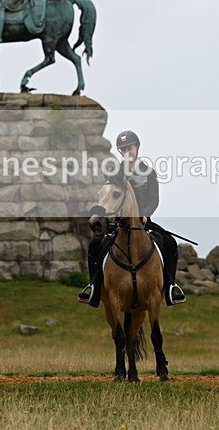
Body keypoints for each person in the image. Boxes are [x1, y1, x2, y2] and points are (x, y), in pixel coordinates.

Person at [79, 130, 186, 307]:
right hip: (117, 225)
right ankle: (94, 287)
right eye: (122, 149)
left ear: (137, 147)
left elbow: (154, 198)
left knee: (170, 242)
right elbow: (108, 196)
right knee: (95, 244)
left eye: (129, 147)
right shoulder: (116, 173)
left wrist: (145, 214)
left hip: (143, 222)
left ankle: (170, 287)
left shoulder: (149, 172)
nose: (127, 152)